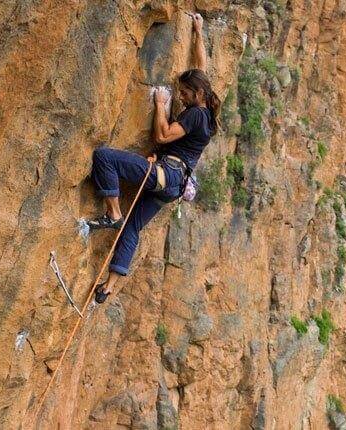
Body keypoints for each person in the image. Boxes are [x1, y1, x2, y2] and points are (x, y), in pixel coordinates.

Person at [86, 12, 219, 303]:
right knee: (133, 227)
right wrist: (197, 31)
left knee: (104, 157)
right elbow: (201, 66)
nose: (180, 97)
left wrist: (160, 104)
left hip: (166, 174)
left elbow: (162, 136)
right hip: (172, 185)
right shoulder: (206, 107)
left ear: (196, 93)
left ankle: (112, 212)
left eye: (184, 93)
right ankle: (108, 287)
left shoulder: (195, 114)